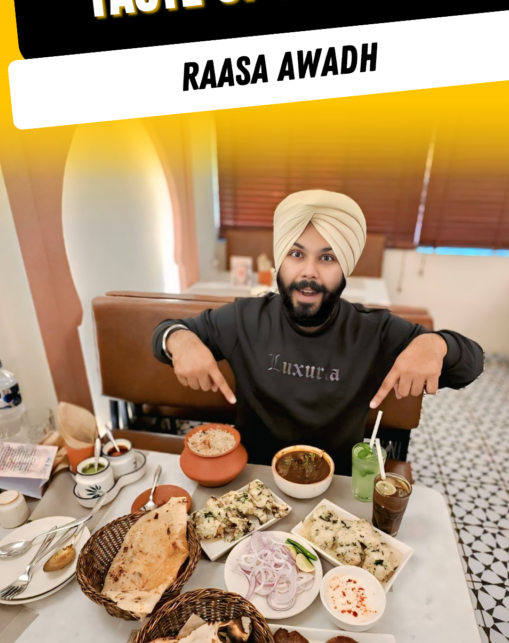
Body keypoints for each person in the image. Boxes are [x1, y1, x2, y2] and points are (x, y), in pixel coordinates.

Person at [152, 190, 484, 474]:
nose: (309, 272)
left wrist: (434, 344)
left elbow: (470, 365)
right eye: (296, 254)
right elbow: (165, 333)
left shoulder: (373, 330)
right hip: (252, 480)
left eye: (327, 258)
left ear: (345, 269)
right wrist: (181, 341)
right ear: (280, 261)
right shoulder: (245, 318)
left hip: (335, 488)